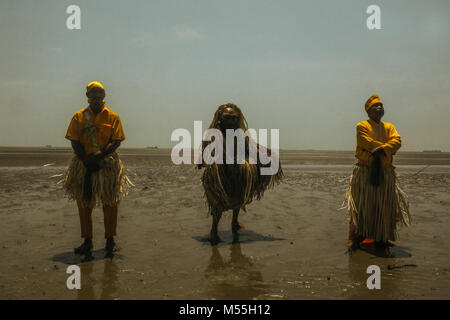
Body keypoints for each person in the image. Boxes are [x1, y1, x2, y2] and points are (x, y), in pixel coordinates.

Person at [63, 81, 132, 260]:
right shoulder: (78, 117)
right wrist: (86, 160)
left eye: (99, 95)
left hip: (106, 165)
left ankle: (110, 240)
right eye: (93, 95)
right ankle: (87, 241)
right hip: (84, 164)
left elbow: (116, 140)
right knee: (84, 203)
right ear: (87, 97)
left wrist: (99, 155)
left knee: (110, 202)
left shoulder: (112, 117)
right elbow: (74, 140)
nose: (96, 98)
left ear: (104, 97)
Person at [197, 103, 283, 245]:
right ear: (220, 119)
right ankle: (214, 231)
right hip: (218, 177)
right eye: (227, 118)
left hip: (239, 173)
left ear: (238, 119)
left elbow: (253, 149)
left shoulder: (242, 136)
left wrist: (266, 157)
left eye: (234, 118)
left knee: (239, 195)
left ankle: (234, 222)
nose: (231, 121)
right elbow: (204, 154)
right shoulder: (213, 135)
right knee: (217, 202)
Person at [344, 94, 411, 251]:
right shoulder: (362, 126)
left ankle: (381, 238)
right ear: (368, 112)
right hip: (365, 172)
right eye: (376, 106)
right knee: (363, 206)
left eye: (381, 105)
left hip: (384, 173)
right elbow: (366, 142)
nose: (379, 107)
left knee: (383, 206)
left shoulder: (389, 127)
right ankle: (358, 237)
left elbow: (397, 141)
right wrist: (387, 147)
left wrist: (382, 149)